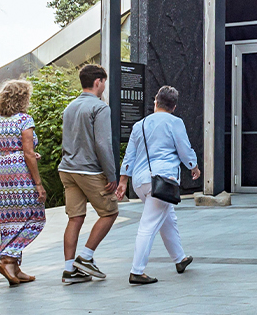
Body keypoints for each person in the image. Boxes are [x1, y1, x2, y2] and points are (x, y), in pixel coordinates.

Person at [114, 85, 199, 285]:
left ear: (156, 102)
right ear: (174, 106)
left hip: (141, 181)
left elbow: (130, 155)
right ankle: (137, 271)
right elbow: (184, 149)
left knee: (168, 218)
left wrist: (123, 181)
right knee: (149, 224)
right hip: (163, 180)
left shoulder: (139, 125)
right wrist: (193, 166)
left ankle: (180, 259)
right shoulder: (175, 122)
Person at [58, 63, 120, 285]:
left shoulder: (70, 107)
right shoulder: (100, 107)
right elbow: (103, 144)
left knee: (75, 218)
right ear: (98, 82)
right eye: (104, 82)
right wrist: (111, 175)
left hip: (67, 169)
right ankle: (86, 256)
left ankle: (68, 270)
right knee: (110, 212)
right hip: (88, 170)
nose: (104, 86)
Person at [0, 79, 45, 286]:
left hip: (4, 173)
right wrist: (38, 184)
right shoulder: (24, 119)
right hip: (21, 173)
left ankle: (14, 267)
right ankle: (6, 257)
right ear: (22, 98)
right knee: (35, 216)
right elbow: (28, 154)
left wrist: (19, 154)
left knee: (10, 218)